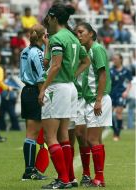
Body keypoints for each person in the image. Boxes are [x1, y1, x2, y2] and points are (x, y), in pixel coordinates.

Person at [39, 4, 90, 189]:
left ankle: (63, 179)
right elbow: (86, 60)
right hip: (70, 88)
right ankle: (70, 178)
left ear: (53, 17)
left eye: (48, 17)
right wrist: (73, 74)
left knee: (49, 136)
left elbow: (55, 65)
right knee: (63, 136)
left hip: (57, 88)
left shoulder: (58, 37)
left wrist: (43, 88)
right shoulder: (73, 37)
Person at [75, 22, 112, 187]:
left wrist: (98, 100)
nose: (79, 35)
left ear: (91, 33)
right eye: (77, 33)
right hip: (92, 99)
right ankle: (99, 178)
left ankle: (99, 178)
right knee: (93, 139)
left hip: (98, 100)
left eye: (81, 32)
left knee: (91, 139)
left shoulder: (96, 49)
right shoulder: (88, 51)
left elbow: (102, 74)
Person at [19, 24, 48, 181]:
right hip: (36, 91)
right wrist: (42, 92)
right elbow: (40, 75)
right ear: (43, 36)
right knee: (32, 134)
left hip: (26, 91)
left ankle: (30, 169)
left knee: (30, 133)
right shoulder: (38, 53)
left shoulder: (25, 51)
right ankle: (29, 171)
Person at [110, 54, 132, 141]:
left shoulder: (126, 71)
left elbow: (129, 83)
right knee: (108, 114)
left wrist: (126, 92)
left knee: (119, 112)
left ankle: (117, 134)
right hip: (111, 94)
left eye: (115, 59)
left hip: (121, 94)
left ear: (120, 60)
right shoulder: (111, 70)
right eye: (113, 59)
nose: (114, 60)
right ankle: (115, 130)